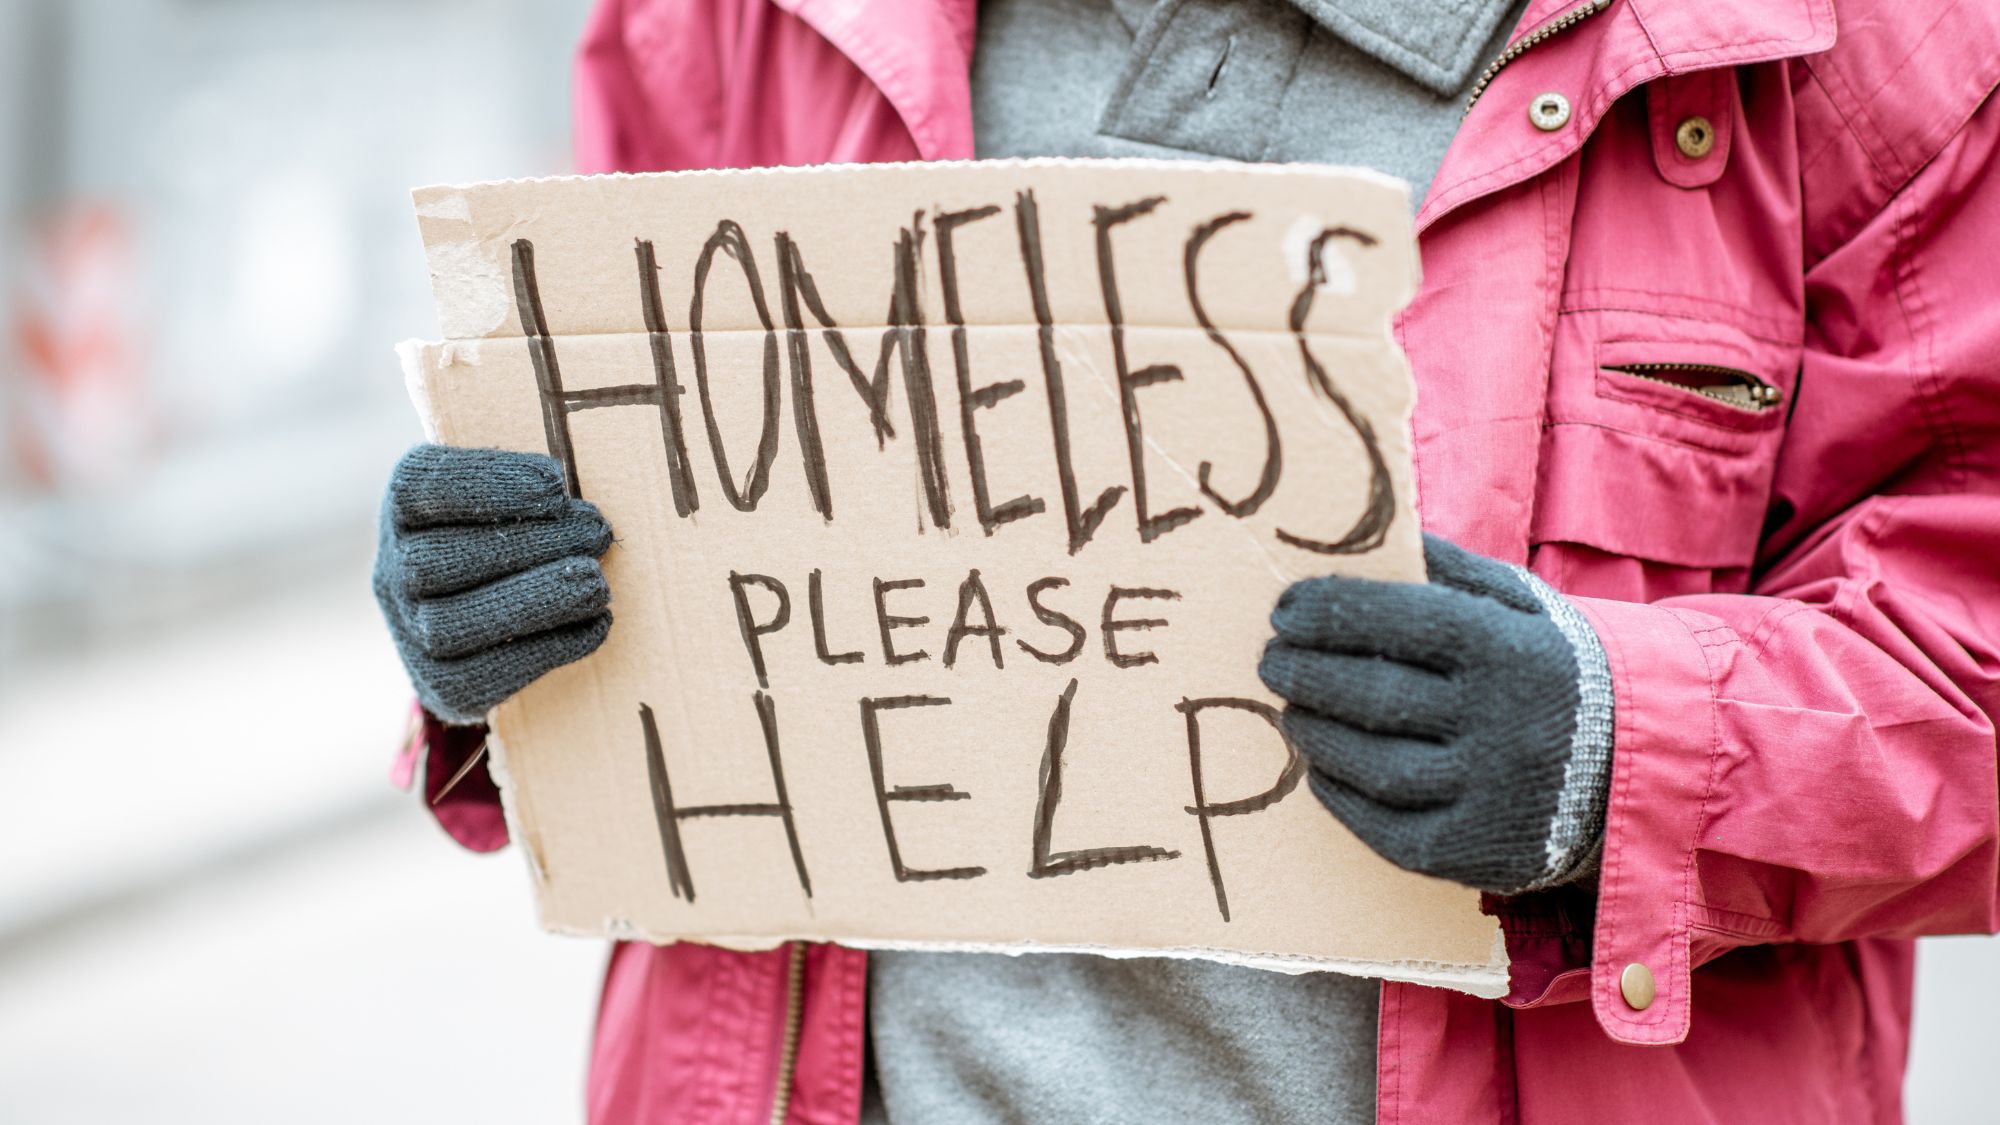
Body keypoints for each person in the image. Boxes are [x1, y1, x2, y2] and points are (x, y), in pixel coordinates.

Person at [372, 0, 2000, 1121]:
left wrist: (1615, 751)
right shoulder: (744, 16)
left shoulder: (1864, 57)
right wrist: (488, 634)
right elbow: (620, 524)